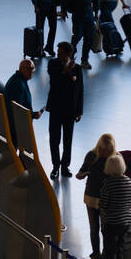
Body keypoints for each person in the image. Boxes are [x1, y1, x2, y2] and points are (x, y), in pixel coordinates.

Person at [45, 41, 84, 180]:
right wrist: (65, 72)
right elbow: (54, 82)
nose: (58, 54)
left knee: (68, 140)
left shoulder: (77, 68)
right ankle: (55, 166)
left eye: (60, 52)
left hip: (70, 110)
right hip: (56, 108)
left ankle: (65, 165)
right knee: (54, 139)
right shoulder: (53, 64)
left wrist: (80, 110)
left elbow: (80, 89)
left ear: (68, 54)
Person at [76, 133, 117, 259]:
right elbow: (80, 172)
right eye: (103, 150)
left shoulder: (116, 158)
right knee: (94, 228)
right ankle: (96, 252)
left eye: (107, 150)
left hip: (107, 199)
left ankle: (106, 253)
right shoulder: (91, 155)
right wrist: (83, 174)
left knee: (106, 228)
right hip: (91, 197)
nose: (105, 153)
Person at [98, 153, 131, 259]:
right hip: (125, 222)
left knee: (109, 255)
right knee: (119, 252)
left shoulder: (108, 183)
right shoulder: (128, 181)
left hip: (111, 222)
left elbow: (103, 204)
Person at [2, 58, 43, 151]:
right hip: (14, 127)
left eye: (32, 69)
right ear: (21, 68)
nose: (31, 72)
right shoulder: (19, 84)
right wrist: (33, 115)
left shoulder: (16, 79)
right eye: (29, 69)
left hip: (9, 123)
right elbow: (18, 110)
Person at [67, 0, 100, 69]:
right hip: (78, 13)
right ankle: (71, 55)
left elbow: (96, 0)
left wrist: (96, 13)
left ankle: (84, 60)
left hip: (89, 13)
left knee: (89, 38)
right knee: (77, 35)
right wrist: (66, 10)